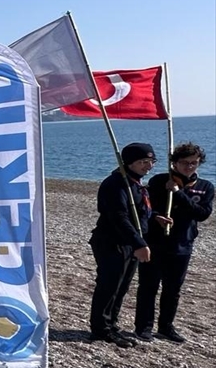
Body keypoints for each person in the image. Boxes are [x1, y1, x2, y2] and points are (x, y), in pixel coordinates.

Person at [135, 143, 210, 343]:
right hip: (156, 242)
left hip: (182, 246)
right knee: (148, 286)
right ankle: (143, 327)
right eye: (184, 163)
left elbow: (202, 214)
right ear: (174, 163)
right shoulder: (160, 181)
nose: (189, 167)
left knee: (173, 289)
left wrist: (178, 193)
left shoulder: (205, 187)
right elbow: (145, 210)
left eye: (194, 163)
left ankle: (166, 327)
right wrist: (157, 217)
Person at [87, 143, 159, 348]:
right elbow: (119, 217)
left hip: (129, 243)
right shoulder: (116, 184)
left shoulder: (135, 183)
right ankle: (101, 329)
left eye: (151, 162)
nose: (149, 166)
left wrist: (155, 218)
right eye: (143, 162)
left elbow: (139, 211)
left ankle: (111, 324)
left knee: (122, 286)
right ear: (128, 163)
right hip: (112, 242)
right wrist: (139, 243)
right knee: (109, 285)